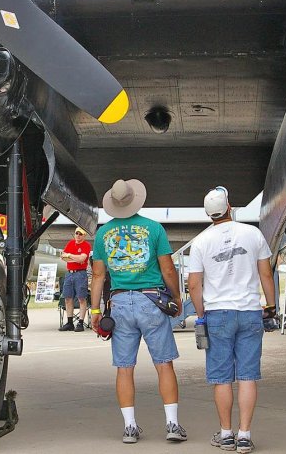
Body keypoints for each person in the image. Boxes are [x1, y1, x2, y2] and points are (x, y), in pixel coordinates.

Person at [90, 179, 186, 444]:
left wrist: (96, 310)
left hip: (119, 304)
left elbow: (98, 275)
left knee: (124, 368)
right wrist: (176, 297)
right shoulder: (154, 228)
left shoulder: (102, 234)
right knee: (164, 364)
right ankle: (172, 425)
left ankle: (130, 428)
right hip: (151, 301)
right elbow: (168, 269)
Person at [187, 186, 276, 453]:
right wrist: (270, 305)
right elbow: (266, 275)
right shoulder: (253, 233)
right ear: (229, 207)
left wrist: (202, 314)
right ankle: (245, 435)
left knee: (222, 378)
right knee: (248, 376)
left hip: (217, 313)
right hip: (249, 311)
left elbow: (194, 284)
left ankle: (226, 434)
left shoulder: (201, 241)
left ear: (209, 213)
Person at [59, 227, 92, 332]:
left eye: (80, 234)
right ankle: (69, 322)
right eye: (76, 233)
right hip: (69, 273)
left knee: (81, 298)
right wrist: (74, 257)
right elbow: (63, 257)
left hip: (80, 274)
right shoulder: (70, 243)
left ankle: (80, 322)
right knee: (67, 298)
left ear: (84, 236)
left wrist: (70, 256)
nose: (78, 235)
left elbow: (82, 258)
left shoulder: (86, 245)